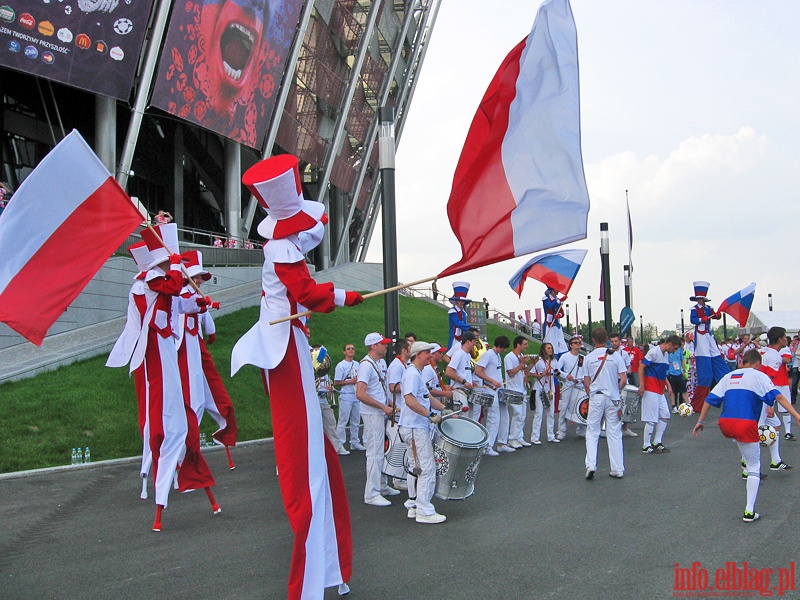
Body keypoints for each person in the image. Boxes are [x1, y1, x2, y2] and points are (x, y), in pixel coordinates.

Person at [230, 155, 361, 598]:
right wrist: (345, 295)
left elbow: (302, 294)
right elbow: (306, 294)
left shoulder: (284, 251)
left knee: (317, 460)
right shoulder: (281, 252)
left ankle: (327, 570)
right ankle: (311, 581)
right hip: (284, 352)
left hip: (289, 346)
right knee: (306, 463)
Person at [130, 224, 221, 530]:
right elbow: (168, 289)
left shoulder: (164, 281)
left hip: (168, 348)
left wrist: (200, 304)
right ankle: (163, 474)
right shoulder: (149, 281)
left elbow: (180, 303)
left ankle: (187, 467)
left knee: (183, 413)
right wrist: (177, 269)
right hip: (156, 351)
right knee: (169, 412)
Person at [693, 349, 800, 522]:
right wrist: (796, 415)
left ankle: (744, 456)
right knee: (754, 467)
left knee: (741, 439)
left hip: (725, 424)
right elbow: (778, 397)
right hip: (746, 423)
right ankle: (749, 511)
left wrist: (701, 421)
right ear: (758, 364)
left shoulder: (729, 376)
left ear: (743, 362)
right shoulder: (759, 376)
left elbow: (709, 399)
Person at [400, 341, 448, 524]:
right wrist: (430, 415)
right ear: (419, 354)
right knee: (427, 468)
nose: (431, 355)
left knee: (418, 468)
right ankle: (424, 510)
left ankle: (415, 506)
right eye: (428, 352)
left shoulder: (416, 373)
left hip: (414, 427)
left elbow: (426, 397)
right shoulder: (412, 373)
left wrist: (444, 410)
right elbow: (410, 400)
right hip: (414, 428)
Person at [355, 332, 398, 506]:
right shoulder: (366, 365)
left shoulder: (377, 363)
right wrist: (382, 406)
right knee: (374, 452)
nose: (386, 346)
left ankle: (380, 485)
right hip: (372, 414)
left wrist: (388, 404)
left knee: (380, 451)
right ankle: (371, 493)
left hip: (378, 412)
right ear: (373, 346)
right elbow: (360, 393)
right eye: (383, 343)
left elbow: (376, 390)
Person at [582, 328, 627, 479]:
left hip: (596, 396)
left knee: (592, 431)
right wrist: (616, 390)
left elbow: (586, 382)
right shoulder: (615, 356)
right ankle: (617, 468)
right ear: (607, 339)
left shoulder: (588, 357)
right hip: (613, 397)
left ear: (593, 340)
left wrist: (591, 395)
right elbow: (624, 379)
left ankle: (591, 464)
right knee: (614, 432)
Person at [689, 281, 731, 412]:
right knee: (705, 372)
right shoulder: (694, 310)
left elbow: (717, 316)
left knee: (716, 357)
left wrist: (717, 314)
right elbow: (693, 320)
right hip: (700, 337)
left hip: (708, 335)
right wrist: (703, 319)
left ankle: (728, 385)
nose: (702, 301)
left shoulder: (708, 308)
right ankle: (698, 403)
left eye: (703, 299)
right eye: (700, 299)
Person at [757, 327, 793, 467]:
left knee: (775, 425)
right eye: (785, 337)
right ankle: (748, 467)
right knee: (756, 431)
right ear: (779, 339)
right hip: (760, 397)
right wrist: (769, 405)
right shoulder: (774, 356)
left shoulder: (762, 351)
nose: (786, 339)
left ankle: (776, 460)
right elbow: (767, 381)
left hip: (756, 393)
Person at [638, 335, 681, 454]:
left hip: (659, 389)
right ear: (670, 344)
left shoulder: (666, 355)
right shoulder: (654, 352)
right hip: (651, 388)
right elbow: (641, 366)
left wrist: (669, 386)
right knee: (651, 419)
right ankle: (646, 445)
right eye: (675, 348)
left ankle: (657, 441)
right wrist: (642, 385)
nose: (675, 351)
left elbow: (662, 373)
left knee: (665, 415)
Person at [475, 336, 512, 455]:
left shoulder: (497, 355)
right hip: (490, 389)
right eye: (504, 348)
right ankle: (488, 446)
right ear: (500, 346)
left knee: (504, 416)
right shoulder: (489, 354)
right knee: (493, 417)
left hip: (498, 389)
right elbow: (478, 371)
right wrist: (492, 381)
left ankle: (502, 442)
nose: (504, 350)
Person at [386, 339, 411, 490]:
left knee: (403, 444)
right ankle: (397, 478)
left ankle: (400, 475)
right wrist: (410, 386)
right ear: (404, 351)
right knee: (399, 444)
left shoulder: (403, 364)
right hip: (399, 408)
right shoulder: (396, 366)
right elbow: (392, 387)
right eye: (410, 348)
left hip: (403, 408)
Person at [504, 336, 535, 447]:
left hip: (522, 389)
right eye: (525, 344)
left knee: (522, 415)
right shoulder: (509, 357)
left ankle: (519, 437)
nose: (527, 346)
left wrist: (533, 363)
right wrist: (521, 363)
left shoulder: (521, 356)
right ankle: (512, 438)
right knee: (517, 414)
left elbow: (525, 371)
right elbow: (510, 373)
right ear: (518, 344)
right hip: (513, 389)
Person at [335, 343, 364, 451]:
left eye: (352, 348)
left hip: (356, 395)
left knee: (356, 420)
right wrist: (350, 381)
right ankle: (340, 443)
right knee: (343, 420)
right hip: (346, 395)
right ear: (344, 352)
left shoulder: (357, 364)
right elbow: (336, 382)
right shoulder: (341, 365)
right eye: (348, 349)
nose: (351, 350)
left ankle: (354, 441)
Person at [555, 336, 584, 440]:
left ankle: (581, 429)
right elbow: (556, 370)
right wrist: (566, 375)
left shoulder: (582, 358)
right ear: (571, 345)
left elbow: (585, 372)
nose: (578, 344)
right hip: (568, 385)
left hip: (580, 385)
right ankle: (561, 431)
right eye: (575, 343)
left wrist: (582, 379)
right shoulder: (565, 356)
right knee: (564, 407)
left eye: (579, 342)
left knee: (580, 408)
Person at [530, 342, 558, 444]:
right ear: (543, 350)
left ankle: (551, 435)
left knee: (551, 413)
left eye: (551, 348)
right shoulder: (538, 361)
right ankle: (535, 437)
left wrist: (558, 373)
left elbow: (557, 371)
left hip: (550, 389)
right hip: (540, 389)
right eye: (548, 348)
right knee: (539, 413)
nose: (550, 350)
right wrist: (542, 374)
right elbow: (530, 373)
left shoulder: (554, 361)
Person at [445, 330, 476, 413]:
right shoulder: (458, 354)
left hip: (466, 392)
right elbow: (448, 371)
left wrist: (471, 382)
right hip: (459, 391)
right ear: (468, 342)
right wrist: (464, 382)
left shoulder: (468, 355)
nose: (475, 344)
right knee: (462, 418)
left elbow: (464, 372)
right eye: (474, 341)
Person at [542, 288, 568, 357]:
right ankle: (553, 361)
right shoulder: (546, 299)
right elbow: (551, 306)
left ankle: (563, 361)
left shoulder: (557, 300)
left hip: (557, 325)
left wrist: (559, 315)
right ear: (551, 290)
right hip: (549, 325)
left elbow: (562, 312)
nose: (558, 291)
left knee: (562, 345)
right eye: (556, 289)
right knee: (552, 345)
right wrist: (560, 300)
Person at [447, 281, 472, 352]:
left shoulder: (464, 313)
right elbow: (457, 322)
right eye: (459, 301)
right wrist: (469, 328)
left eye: (462, 301)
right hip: (455, 338)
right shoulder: (452, 312)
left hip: (463, 337)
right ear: (456, 301)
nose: (461, 303)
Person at [666, 338, 689, 413]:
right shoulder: (667, 353)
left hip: (679, 373)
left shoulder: (679, 351)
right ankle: (673, 406)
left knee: (683, 390)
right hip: (671, 373)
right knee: (672, 391)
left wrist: (684, 370)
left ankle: (688, 405)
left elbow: (682, 360)